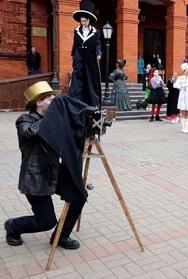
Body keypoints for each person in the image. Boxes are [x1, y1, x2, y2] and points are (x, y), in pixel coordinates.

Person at [4, 81, 90, 250]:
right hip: (34, 178)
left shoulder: (53, 120)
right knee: (46, 221)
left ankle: (61, 236)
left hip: (53, 173)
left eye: (54, 98)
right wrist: (54, 117)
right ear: (38, 102)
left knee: (79, 196)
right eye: (50, 99)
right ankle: (13, 226)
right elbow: (30, 132)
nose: (54, 101)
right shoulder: (24, 120)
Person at [68, 0, 102, 107]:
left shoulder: (95, 32)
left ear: (89, 20)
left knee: (90, 77)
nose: (83, 23)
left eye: (85, 21)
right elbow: (75, 43)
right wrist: (73, 55)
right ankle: (76, 99)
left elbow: (98, 44)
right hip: (79, 55)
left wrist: (98, 53)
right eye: (82, 21)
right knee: (78, 76)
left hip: (90, 56)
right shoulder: (77, 30)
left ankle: (92, 100)